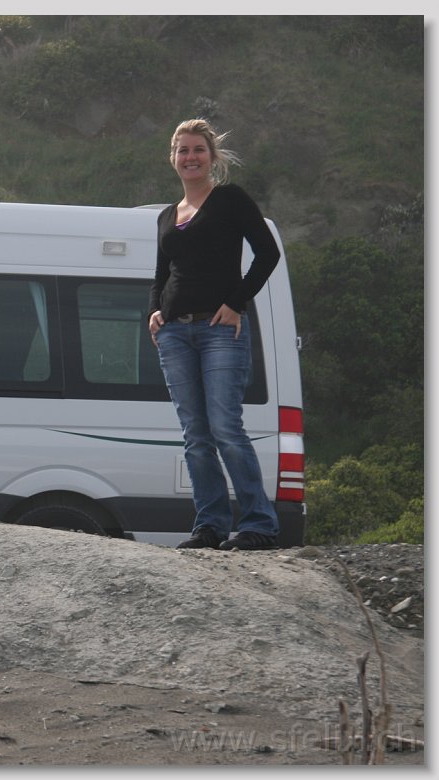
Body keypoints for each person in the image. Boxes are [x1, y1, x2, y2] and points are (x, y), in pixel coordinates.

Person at [148, 118, 282, 551]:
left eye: (198, 150)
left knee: (226, 427)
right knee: (195, 434)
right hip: (174, 334)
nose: (190, 157)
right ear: (173, 158)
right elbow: (161, 273)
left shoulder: (230, 200)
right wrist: (153, 311)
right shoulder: (167, 215)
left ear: (212, 156)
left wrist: (237, 301)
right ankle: (210, 526)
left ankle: (260, 525)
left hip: (219, 329)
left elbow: (268, 253)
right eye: (183, 150)